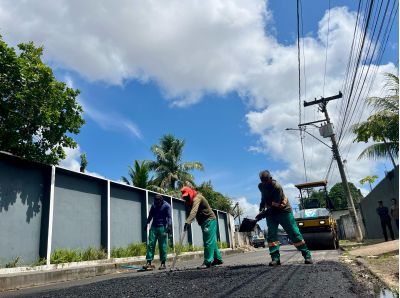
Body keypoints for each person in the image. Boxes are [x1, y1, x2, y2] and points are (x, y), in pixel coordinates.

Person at [256, 170, 312, 266]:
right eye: (262, 181)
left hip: (283, 211)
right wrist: (261, 208)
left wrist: (262, 215)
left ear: (270, 178)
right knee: (271, 235)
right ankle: (275, 258)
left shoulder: (276, 187)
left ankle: (307, 255)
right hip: (270, 212)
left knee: (294, 233)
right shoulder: (261, 186)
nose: (264, 182)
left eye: (266, 180)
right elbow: (263, 197)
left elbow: (275, 207)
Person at [181, 186, 223, 268]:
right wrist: (187, 222)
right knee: (212, 241)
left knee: (208, 241)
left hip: (209, 220)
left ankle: (207, 261)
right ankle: (218, 259)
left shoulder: (197, 198)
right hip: (204, 222)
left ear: (190, 193)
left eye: (187, 196)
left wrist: (188, 221)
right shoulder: (188, 202)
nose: (186, 198)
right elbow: (189, 212)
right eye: (185, 197)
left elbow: (194, 211)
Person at [143, 194, 172, 270]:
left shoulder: (167, 206)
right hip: (153, 227)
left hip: (162, 228)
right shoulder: (154, 205)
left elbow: (169, 217)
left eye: (158, 201)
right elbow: (150, 215)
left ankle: (163, 263)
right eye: (155, 201)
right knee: (151, 244)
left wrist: (169, 226)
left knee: (163, 245)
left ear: (161, 200)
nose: (156, 203)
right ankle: (148, 262)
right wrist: (147, 223)